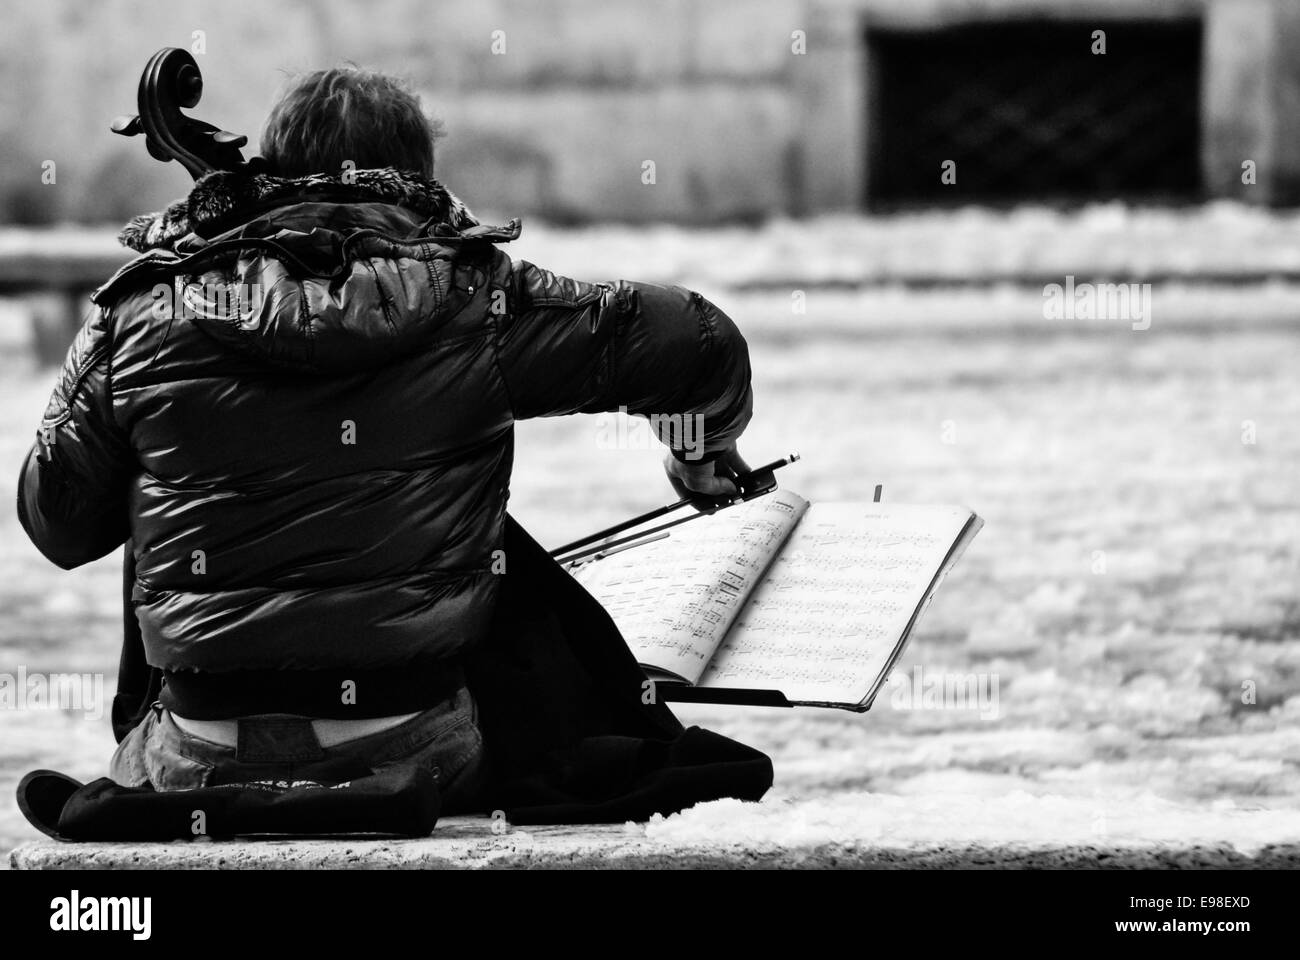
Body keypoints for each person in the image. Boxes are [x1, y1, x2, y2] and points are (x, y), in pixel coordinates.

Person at [16, 66, 756, 818]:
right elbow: (699, 340)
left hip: (192, 759)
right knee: (484, 540)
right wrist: (697, 451)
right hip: (415, 749)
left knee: (160, 488)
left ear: (272, 167)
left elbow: (60, 525)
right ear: (417, 176)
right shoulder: (482, 300)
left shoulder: (144, 307)